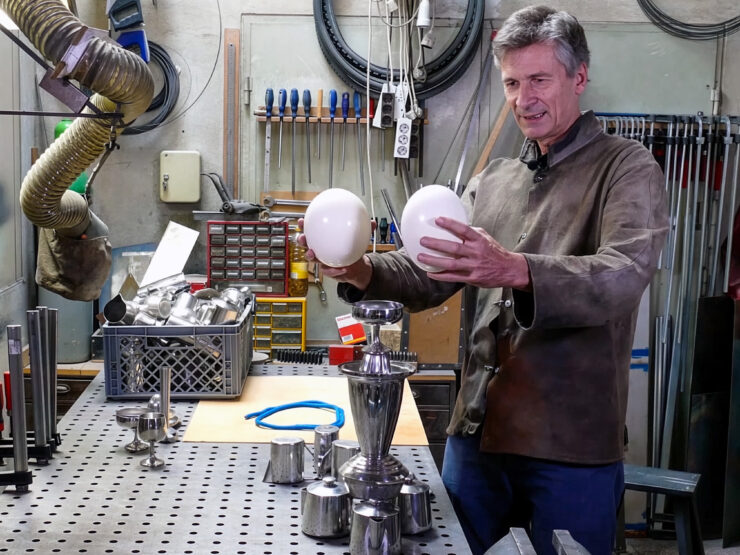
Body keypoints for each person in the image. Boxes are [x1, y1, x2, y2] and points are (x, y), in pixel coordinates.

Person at [301, 6, 669, 555]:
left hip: (570, 448)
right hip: (476, 436)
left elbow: (622, 274)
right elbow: (430, 271)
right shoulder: (495, 178)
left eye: (539, 79)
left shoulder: (626, 168)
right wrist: (361, 270)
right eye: (512, 83)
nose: (523, 98)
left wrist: (515, 269)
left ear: (579, 77)